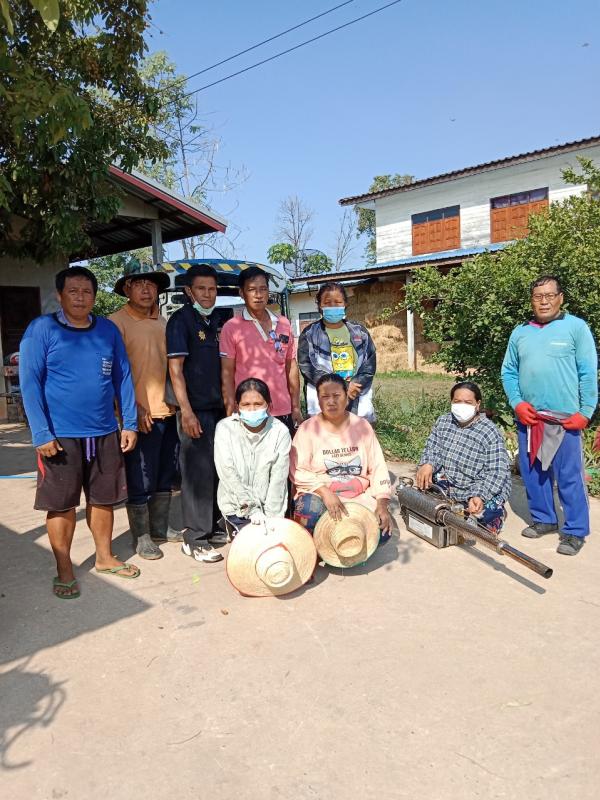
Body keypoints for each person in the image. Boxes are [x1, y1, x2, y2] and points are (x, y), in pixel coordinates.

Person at [19, 267, 139, 599]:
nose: (80, 297)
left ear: (94, 296)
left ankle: (104, 557)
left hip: (104, 432)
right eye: (73, 291)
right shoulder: (41, 330)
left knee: (103, 500)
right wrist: (41, 433)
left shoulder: (107, 330)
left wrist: (129, 423)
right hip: (59, 437)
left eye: (87, 292)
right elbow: (29, 383)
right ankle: (64, 569)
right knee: (61, 505)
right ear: (59, 295)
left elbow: (122, 377)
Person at [501, 275, 598, 556]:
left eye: (549, 295)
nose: (544, 301)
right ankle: (544, 518)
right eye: (538, 296)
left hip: (565, 420)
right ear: (531, 300)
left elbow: (588, 373)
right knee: (534, 472)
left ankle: (575, 531)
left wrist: (586, 412)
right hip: (530, 418)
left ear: (560, 298)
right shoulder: (520, 333)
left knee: (569, 476)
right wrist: (517, 403)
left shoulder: (576, 328)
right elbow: (508, 372)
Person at [109, 261, 178, 561]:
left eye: (151, 284)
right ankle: (142, 536)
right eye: (139, 283)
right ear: (127, 288)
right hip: (138, 414)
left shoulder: (162, 321)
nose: (146, 289)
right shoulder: (115, 323)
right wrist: (131, 409)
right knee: (140, 475)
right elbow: (112, 373)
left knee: (164, 472)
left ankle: (160, 527)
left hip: (167, 410)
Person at [166, 264, 225, 563]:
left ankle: (213, 527)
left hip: (219, 408)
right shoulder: (180, 321)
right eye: (201, 288)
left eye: (212, 289)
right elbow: (175, 370)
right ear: (189, 291)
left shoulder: (218, 320)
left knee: (217, 469)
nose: (207, 294)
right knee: (196, 472)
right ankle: (194, 538)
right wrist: (186, 412)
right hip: (195, 410)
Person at [289, 373, 392, 539]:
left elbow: (378, 467)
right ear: (318, 400)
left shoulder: (362, 426)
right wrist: (325, 492)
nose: (331, 401)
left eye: (337, 395)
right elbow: (298, 471)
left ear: (347, 397)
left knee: (382, 531)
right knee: (308, 509)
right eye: (325, 396)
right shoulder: (307, 429)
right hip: (321, 495)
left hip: (359, 496)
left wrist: (382, 504)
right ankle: (316, 545)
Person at [415, 381, 511, 533]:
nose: (462, 406)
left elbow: (497, 471)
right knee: (423, 495)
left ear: (477, 404)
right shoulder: (444, 421)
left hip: (478, 485)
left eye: (468, 402)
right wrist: (428, 464)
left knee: (482, 520)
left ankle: (493, 512)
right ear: (451, 402)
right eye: (457, 401)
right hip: (451, 481)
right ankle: (453, 507)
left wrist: (479, 495)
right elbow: (432, 448)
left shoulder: (489, 432)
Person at [219, 266, 302, 436]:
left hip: (282, 409)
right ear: (242, 293)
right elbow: (227, 373)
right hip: (250, 413)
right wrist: (231, 410)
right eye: (252, 289)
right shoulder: (232, 328)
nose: (258, 295)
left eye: (263, 289)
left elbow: (291, 367)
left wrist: (295, 406)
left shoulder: (283, 323)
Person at [214, 378, 291, 539]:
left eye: (258, 404)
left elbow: (278, 478)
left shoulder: (280, 431)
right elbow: (227, 472)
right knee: (252, 543)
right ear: (237, 406)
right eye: (246, 404)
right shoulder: (225, 428)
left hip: (269, 508)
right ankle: (230, 525)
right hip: (236, 506)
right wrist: (251, 510)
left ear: (269, 405)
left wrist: (272, 518)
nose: (252, 409)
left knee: (273, 543)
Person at [298, 281, 377, 421]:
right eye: (327, 303)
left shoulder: (359, 331)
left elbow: (369, 362)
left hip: (355, 391)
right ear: (319, 305)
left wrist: (354, 385)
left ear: (345, 304)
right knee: (325, 431)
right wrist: (342, 387)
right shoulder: (309, 333)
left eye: (338, 302)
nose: (333, 306)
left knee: (358, 429)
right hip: (325, 394)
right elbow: (307, 365)